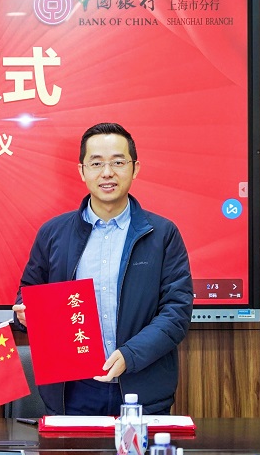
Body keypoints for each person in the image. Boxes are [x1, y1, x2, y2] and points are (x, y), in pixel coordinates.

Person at [12, 122, 193, 415]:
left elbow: (177, 311)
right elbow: (28, 294)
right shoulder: (53, 233)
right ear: (82, 171)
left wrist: (130, 355)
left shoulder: (162, 233)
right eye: (96, 163)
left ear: (135, 168)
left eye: (118, 162)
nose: (107, 173)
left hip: (141, 386)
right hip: (72, 390)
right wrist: (25, 314)